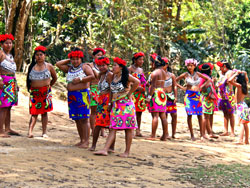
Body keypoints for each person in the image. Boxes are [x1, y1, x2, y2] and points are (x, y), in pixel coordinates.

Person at [94, 57, 139, 157]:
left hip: (126, 106)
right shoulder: (113, 76)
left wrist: (129, 93)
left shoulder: (126, 76)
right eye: (113, 65)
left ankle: (126, 152)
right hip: (116, 105)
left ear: (121, 67)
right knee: (113, 127)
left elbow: (137, 82)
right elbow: (111, 91)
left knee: (128, 128)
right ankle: (105, 149)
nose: (113, 67)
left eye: (115, 65)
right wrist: (110, 103)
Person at [56, 48, 94, 148]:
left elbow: (92, 76)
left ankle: (86, 141)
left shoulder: (85, 67)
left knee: (84, 119)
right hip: (72, 96)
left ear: (81, 59)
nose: (75, 61)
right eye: (73, 59)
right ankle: (82, 140)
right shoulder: (69, 68)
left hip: (82, 95)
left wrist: (81, 79)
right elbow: (58, 64)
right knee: (77, 118)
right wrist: (69, 59)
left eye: (77, 59)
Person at [27, 46, 57, 138]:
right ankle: (30, 131)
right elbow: (28, 79)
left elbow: (55, 78)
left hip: (45, 92)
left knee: (44, 112)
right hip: (35, 93)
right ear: (34, 56)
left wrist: (49, 86)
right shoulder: (31, 66)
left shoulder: (49, 66)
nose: (39, 56)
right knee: (34, 113)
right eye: (37, 55)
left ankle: (44, 132)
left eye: (41, 55)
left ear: (45, 56)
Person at [176, 59, 210, 141]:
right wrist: (182, 87)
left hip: (197, 96)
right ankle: (192, 135)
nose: (189, 67)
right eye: (188, 65)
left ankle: (202, 134)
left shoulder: (198, 74)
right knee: (189, 115)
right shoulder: (185, 74)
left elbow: (208, 80)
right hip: (188, 96)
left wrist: (201, 87)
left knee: (199, 115)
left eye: (191, 65)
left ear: (195, 66)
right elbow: (174, 80)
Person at [89, 56, 114, 151]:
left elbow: (112, 90)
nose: (101, 67)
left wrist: (110, 103)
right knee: (98, 123)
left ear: (107, 65)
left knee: (109, 124)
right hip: (101, 99)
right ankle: (93, 145)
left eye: (103, 65)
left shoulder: (109, 75)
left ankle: (111, 147)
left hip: (107, 100)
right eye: (99, 65)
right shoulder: (100, 75)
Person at [146, 55, 170, 141]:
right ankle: (164, 135)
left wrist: (149, 96)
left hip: (156, 93)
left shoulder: (155, 73)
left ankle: (153, 135)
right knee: (163, 115)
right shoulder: (164, 72)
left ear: (154, 63)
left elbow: (153, 86)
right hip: (162, 94)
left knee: (155, 115)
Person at [0, 33, 19, 137]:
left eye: (10, 43)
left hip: (11, 82)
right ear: (2, 44)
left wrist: (16, 83)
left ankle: (7, 128)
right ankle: (0, 130)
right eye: (6, 43)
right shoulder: (0, 53)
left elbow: (13, 71)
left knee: (9, 106)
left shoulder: (10, 55)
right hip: (3, 81)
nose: (9, 45)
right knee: (3, 106)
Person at [228, 71, 249, 144]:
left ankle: (240, 140)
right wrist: (245, 74)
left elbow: (229, 80)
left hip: (240, 106)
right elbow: (246, 80)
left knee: (242, 124)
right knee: (245, 124)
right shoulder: (245, 85)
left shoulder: (239, 86)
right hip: (245, 105)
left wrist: (235, 74)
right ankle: (246, 140)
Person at [88, 48, 106, 136]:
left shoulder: (103, 66)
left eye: (101, 55)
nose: (100, 57)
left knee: (102, 110)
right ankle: (93, 129)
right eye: (98, 55)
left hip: (102, 89)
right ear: (93, 56)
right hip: (93, 89)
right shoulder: (89, 65)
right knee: (94, 111)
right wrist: (89, 90)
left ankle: (102, 130)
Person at [128, 52, 147, 137]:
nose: (141, 61)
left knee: (139, 112)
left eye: (142, 60)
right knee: (132, 111)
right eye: (140, 59)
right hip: (133, 93)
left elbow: (143, 81)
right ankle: (130, 130)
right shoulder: (130, 69)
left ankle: (138, 130)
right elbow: (126, 81)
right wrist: (135, 86)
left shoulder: (141, 70)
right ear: (135, 60)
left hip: (141, 94)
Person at [198, 63, 218, 139]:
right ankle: (203, 134)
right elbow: (200, 87)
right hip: (205, 98)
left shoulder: (205, 77)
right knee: (205, 117)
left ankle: (209, 132)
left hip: (208, 99)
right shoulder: (204, 78)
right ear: (210, 71)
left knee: (207, 116)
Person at [216, 60, 236, 136]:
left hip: (229, 95)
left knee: (230, 113)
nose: (220, 69)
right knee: (225, 113)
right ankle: (225, 131)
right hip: (222, 95)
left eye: (220, 67)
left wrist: (221, 83)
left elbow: (228, 82)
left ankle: (232, 132)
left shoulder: (230, 72)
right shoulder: (222, 74)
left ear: (224, 66)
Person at [162, 57, 178, 138]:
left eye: (163, 65)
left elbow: (175, 86)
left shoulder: (172, 75)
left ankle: (174, 133)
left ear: (167, 65)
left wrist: (175, 96)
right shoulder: (159, 74)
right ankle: (166, 133)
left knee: (174, 115)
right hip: (162, 97)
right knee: (164, 115)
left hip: (171, 96)